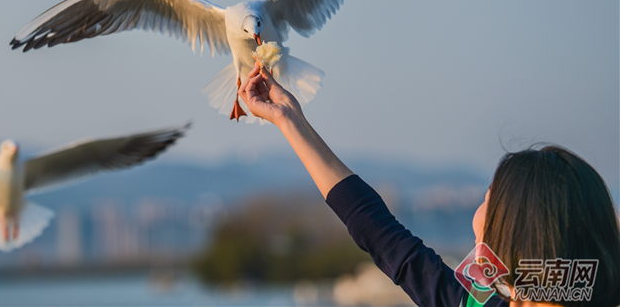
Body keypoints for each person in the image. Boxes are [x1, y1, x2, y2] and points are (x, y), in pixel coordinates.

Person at [237, 64, 620, 307]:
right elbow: (376, 229)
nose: (480, 204)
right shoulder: (480, 301)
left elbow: (381, 236)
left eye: (490, 196)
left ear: (516, 229)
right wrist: (289, 119)